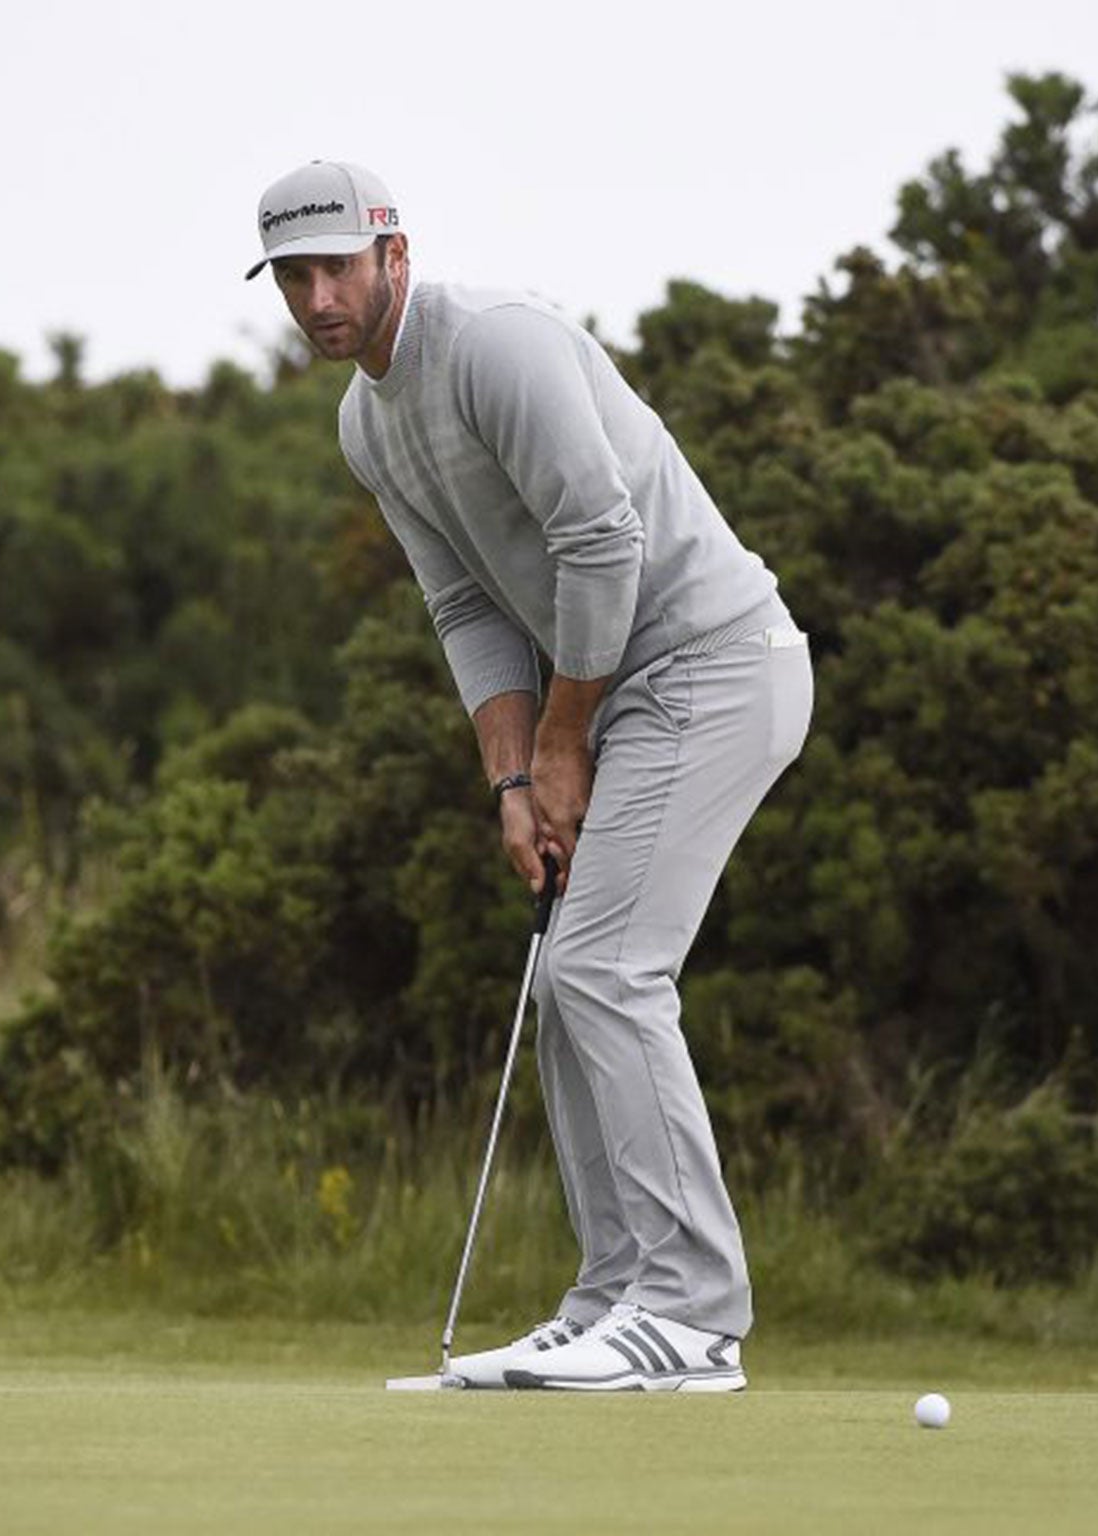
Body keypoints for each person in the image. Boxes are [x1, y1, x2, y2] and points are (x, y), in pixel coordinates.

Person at [248, 161, 814, 1392]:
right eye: (294, 276)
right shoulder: (364, 422)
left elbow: (599, 540)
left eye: (337, 265)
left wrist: (564, 746)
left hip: (716, 664)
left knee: (609, 967)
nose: (317, 295)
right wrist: (513, 781)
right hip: (621, 691)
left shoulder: (494, 348)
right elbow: (465, 606)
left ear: (394, 253)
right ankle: (615, 1297)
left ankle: (692, 1315)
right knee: (571, 980)